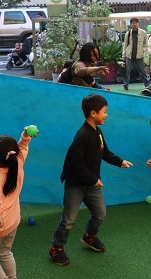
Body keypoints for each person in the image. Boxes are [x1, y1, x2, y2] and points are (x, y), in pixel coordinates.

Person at [49, 94, 133, 266]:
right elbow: (75, 163)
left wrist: (120, 162)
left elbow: (105, 152)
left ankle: (90, 236)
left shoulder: (98, 132)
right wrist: (92, 179)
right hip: (76, 185)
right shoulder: (82, 136)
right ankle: (56, 248)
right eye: (105, 112)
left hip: (92, 184)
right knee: (68, 220)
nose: (107, 115)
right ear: (93, 113)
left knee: (100, 213)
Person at [0, 128, 35, 278]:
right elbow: (23, 147)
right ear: (15, 152)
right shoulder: (19, 163)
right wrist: (26, 135)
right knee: (5, 252)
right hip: (13, 221)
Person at [121, 17, 150, 91]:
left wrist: (144, 50)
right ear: (131, 24)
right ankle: (126, 84)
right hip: (129, 55)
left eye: (136, 23)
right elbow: (125, 45)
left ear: (138, 23)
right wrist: (124, 55)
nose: (134, 24)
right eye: (133, 23)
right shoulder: (128, 33)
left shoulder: (143, 33)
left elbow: (146, 44)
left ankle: (147, 85)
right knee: (127, 71)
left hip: (140, 56)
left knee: (143, 71)